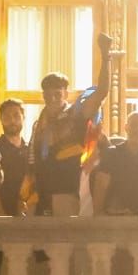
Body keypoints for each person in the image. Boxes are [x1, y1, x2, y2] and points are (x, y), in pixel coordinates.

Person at [30, 69, 107, 217]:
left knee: (63, 232)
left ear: (66, 94)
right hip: (39, 194)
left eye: (57, 94)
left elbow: (102, 92)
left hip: (65, 192)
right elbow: (32, 159)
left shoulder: (76, 116)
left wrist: (105, 59)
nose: (52, 99)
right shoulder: (39, 124)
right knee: (36, 233)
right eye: (48, 95)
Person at [0, 99, 30, 217]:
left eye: (16, 116)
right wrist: (0, 212)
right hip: (1, 212)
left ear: (23, 117)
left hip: (27, 212)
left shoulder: (30, 149)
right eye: (7, 116)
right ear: (1, 119)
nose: (12, 121)